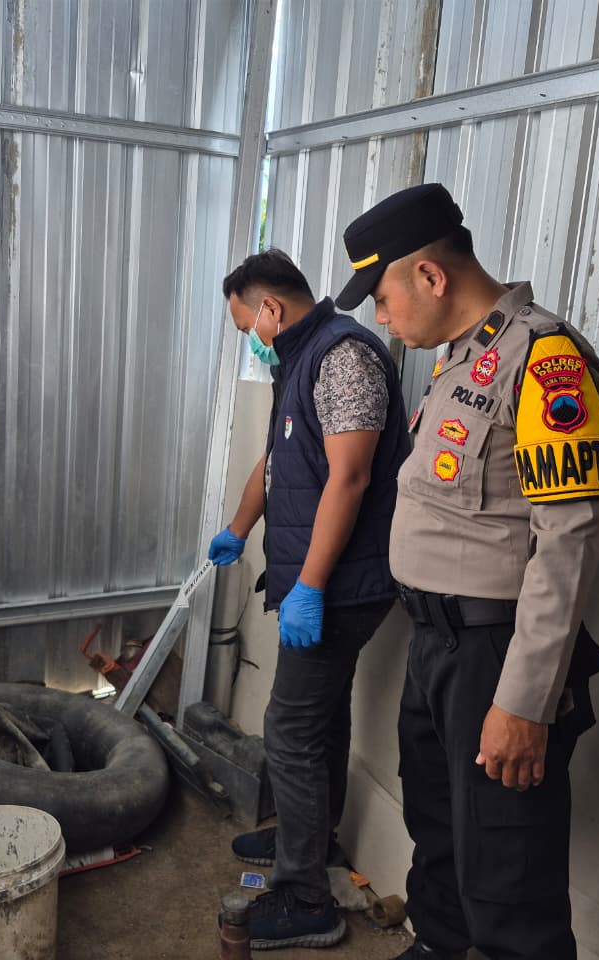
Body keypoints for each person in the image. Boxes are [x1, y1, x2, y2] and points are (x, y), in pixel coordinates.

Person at [333, 183, 599, 960]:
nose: (381, 318)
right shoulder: (463, 358)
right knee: (441, 838)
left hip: (496, 654)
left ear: (430, 276)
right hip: (437, 647)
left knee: (506, 870)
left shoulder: (544, 359)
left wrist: (524, 700)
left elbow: (570, 540)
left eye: (382, 298)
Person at [208, 248, 410, 950]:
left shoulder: (343, 357)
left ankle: (305, 896)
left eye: (248, 326)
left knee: (291, 730)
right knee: (319, 719)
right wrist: (238, 529)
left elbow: (350, 478)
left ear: (270, 307)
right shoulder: (297, 361)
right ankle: (309, 838)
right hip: (319, 580)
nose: (251, 339)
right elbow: (277, 462)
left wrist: (312, 587)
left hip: (341, 585)